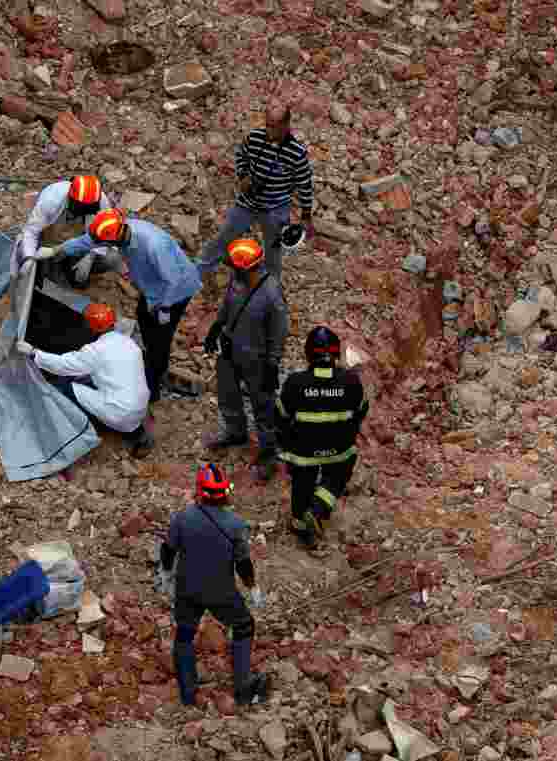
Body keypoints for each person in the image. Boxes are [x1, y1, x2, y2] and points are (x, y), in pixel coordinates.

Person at [36, 209, 202, 403]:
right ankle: (152, 361)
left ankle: (153, 387)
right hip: (153, 287)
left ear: (115, 240)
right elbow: (86, 241)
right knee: (145, 319)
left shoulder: (154, 245)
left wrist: (165, 308)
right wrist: (57, 250)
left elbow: (173, 280)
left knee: (160, 337)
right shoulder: (116, 230)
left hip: (176, 290)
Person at [156, 463, 269, 707]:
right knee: (244, 626)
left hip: (187, 589)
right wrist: (253, 588)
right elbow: (243, 563)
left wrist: (166, 576)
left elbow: (167, 550)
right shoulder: (235, 524)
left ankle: (188, 694)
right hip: (222, 592)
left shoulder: (182, 519)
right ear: (224, 492)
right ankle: (242, 688)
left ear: (199, 490)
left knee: (184, 635)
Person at [199, 101, 315, 287]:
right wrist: (243, 175)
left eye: (274, 126)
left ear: (286, 125)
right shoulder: (254, 137)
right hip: (247, 202)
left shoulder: (297, 153)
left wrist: (306, 216)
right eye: (267, 124)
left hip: (275, 208)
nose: (269, 130)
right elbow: (241, 156)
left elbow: (305, 185)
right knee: (224, 237)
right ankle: (198, 271)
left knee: (273, 251)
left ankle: (271, 287)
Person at [16, 302, 154, 458]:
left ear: (92, 327)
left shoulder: (95, 350)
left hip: (118, 412)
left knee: (65, 387)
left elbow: (62, 365)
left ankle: (79, 427)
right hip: (140, 408)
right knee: (99, 387)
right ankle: (137, 435)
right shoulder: (128, 342)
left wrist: (34, 353)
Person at [202, 239, 288, 481]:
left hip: (257, 360)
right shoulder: (237, 281)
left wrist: (273, 363)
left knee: (263, 407)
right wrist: (216, 328)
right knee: (228, 394)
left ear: (246, 268)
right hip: (230, 350)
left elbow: (279, 331)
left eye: (234, 267)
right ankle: (235, 432)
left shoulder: (271, 293)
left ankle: (268, 454)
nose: (231, 271)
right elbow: (228, 306)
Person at [277, 326, 369, 550]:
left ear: (309, 354)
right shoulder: (351, 382)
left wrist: (286, 444)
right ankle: (318, 508)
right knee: (338, 475)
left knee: (302, 481)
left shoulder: (295, 383)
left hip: (302, 453)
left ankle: (301, 527)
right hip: (338, 452)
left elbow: (280, 417)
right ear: (336, 354)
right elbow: (361, 411)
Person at [12, 175, 120, 288]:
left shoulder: (100, 202)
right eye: (80, 208)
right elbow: (31, 232)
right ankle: (52, 265)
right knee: (46, 273)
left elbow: (105, 234)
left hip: (79, 239)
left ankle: (71, 267)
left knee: (111, 258)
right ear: (70, 199)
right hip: (52, 234)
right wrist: (28, 257)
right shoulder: (51, 201)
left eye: (86, 209)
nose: (81, 212)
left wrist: (91, 256)